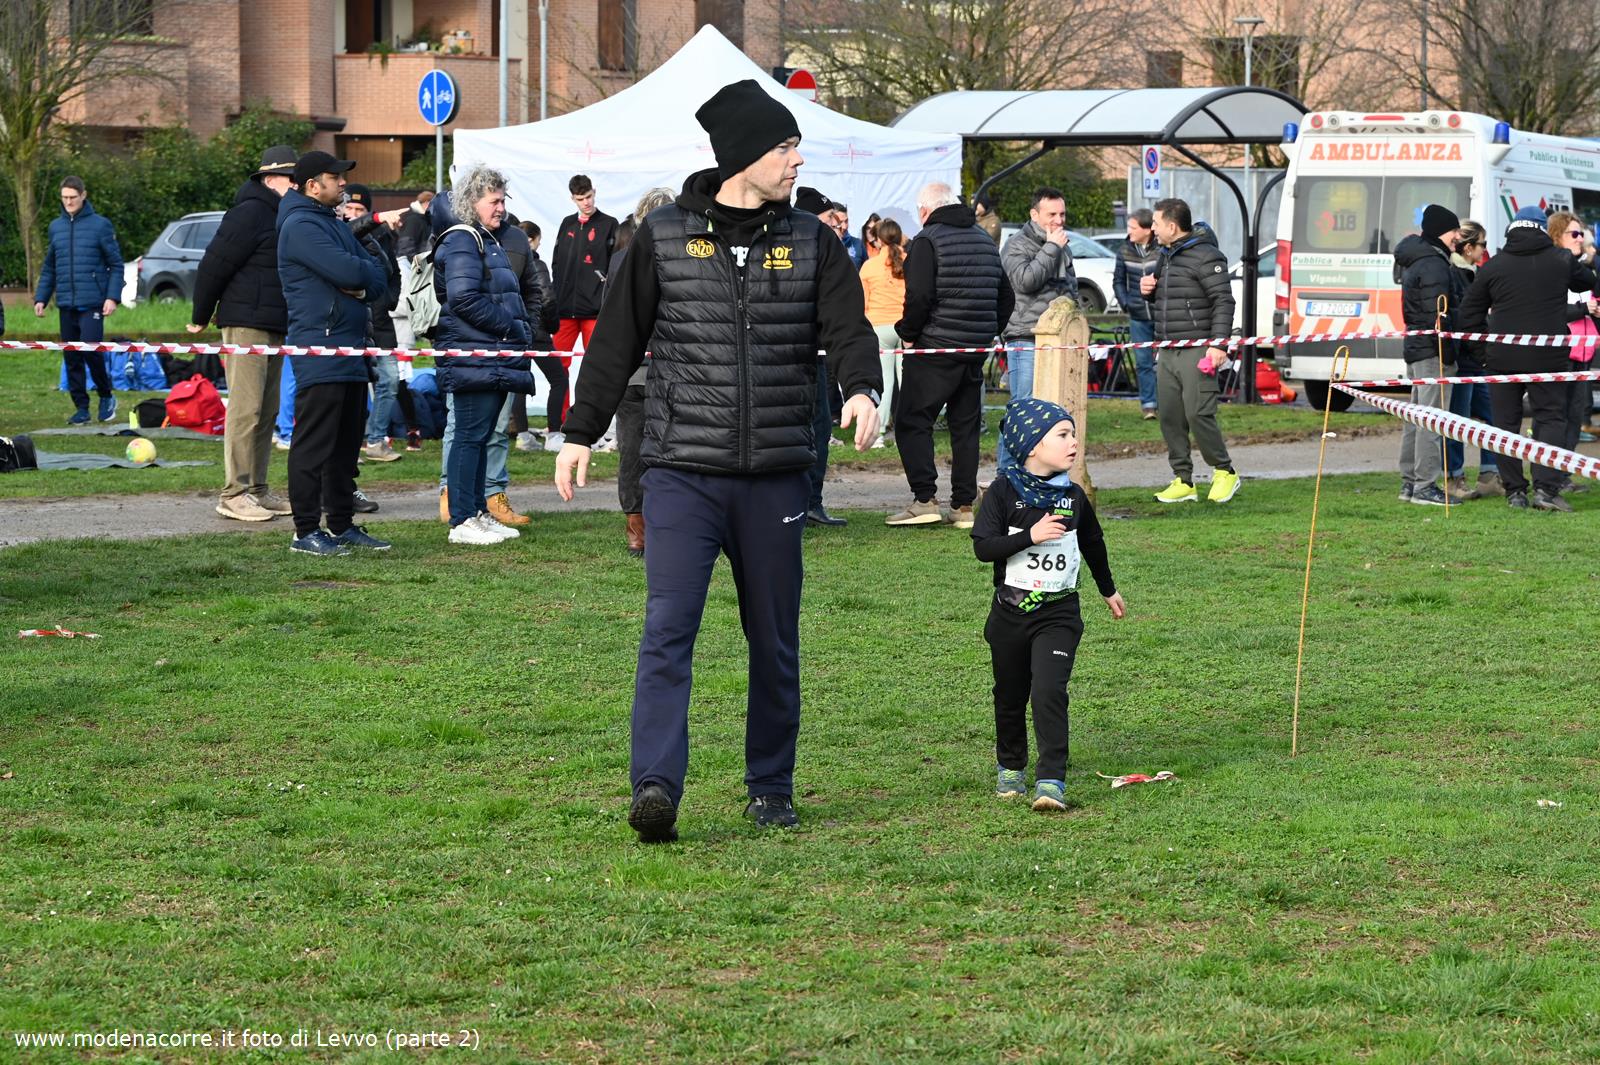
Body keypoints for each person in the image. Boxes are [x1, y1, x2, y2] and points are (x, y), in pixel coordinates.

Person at [553, 78, 882, 842]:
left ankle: (770, 786)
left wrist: (861, 387)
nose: (797, 160)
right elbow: (615, 342)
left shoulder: (813, 241)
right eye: (785, 146)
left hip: (776, 476)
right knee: (668, 630)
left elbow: (848, 328)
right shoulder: (663, 236)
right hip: (681, 473)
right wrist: (578, 431)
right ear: (743, 154)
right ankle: (655, 787)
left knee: (774, 640)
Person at [972, 398, 1124, 811]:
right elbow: (984, 548)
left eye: (1073, 433)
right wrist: (1031, 536)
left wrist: (1107, 589)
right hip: (1010, 614)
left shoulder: (1073, 496)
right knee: (1010, 694)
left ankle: (1051, 780)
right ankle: (1010, 766)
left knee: (1048, 691)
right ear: (1033, 445)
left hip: (1059, 614)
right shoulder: (1002, 492)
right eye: (1063, 435)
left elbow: (1092, 542)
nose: (1074, 442)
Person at [276, 150, 392, 556]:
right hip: (321, 347)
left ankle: (341, 525)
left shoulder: (331, 221)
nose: (343, 183)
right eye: (335, 177)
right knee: (314, 445)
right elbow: (351, 270)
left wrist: (360, 282)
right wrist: (358, 278)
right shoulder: (300, 225)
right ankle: (305, 531)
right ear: (312, 185)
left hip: (351, 347)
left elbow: (378, 275)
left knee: (345, 446)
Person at [890, 181, 1013, 529]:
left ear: (925, 210)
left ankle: (924, 499)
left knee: (912, 421)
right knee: (965, 428)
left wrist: (908, 334)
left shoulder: (926, 241)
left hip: (934, 347)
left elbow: (919, 296)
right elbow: (1006, 297)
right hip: (973, 350)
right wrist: (986, 332)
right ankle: (963, 505)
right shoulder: (984, 240)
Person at [1459, 205, 1595, 511]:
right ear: (1542, 229)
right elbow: (1587, 281)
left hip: (1501, 358)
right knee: (1550, 419)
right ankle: (1546, 489)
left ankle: (1514, 491)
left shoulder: (1494, 266)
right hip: (1548, 357)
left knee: (1504, 425)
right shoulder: (1560, 260)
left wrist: (1484, 354)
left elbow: (1468, 315)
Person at [189, 145, 296, 523]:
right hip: (246, 322)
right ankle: (233, 493)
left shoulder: (282, 213)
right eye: (291, 178)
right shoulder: (249, 212)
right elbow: (214, 263)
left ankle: (258, 490)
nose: (297, 184)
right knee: (246, 408)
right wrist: (200, 315)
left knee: (267, 411)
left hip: (274, 323)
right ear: (270, 179)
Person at [432, 166, 536, 546]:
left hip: (489, 355)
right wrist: (510, 327)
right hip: (475, 356)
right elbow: (463, 298)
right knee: (469, 437)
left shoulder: (482, 238)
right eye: (494, 201)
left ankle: (477, 512)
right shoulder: (463, 239)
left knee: (478, 437)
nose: (501, 208)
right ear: (471, 202)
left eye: (503, 200)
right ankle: (462, 519)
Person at [1140, 198, 1240, 504]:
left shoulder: (1207, 256)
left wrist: (1218, 344)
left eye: (1156, 223)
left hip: (1198, 348)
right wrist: (1150, 292)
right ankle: (1183, 480)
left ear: (1172, 226)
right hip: (1168, 348)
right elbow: (1172, 299)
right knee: (1170, 415)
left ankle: (1225, 472)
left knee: (1199, 413)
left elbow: (1223, 301)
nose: (1152, 228)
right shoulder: (1165, 255)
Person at [611, 187, 677, 558]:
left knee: (649, 452)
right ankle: (638, 527)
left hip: (665, 372)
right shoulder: (624, 262)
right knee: (638, 452)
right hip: (645, 372)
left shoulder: (622, 260)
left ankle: (652, 525)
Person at [999, 187, 1079, 471]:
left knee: (1055, 410)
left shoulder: (1061, 245)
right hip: (1026, 337)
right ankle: (1006, 473)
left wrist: (1078, 328)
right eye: (1052, 214)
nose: (1059, 220)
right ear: (1034, 215)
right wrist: (1052, 248)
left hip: (1058, 338)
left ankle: (1043, 474)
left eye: (1062, 214)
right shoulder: (1016, 245)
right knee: (1023, 409)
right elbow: (1025, 281)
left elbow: (1071, 288)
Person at [34, 176, 123, 425]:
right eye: (64, 198)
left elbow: (116, 264)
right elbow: (50, 267)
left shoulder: (101, 225)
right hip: (66, 303)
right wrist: (41, 298)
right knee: (71, 356)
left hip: (93, 302)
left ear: (83, 195)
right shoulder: (55, 227)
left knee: (91, 350)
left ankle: (106, 396)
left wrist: (112, 297)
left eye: (73, 197)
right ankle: (81, 407)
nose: (68, 202)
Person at [1392, 203, 1463, 507]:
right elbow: (1440, 314)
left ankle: (1410, 482)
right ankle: (1425, 486)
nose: (1458, 236)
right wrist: (1448, 353)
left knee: (1415, 417)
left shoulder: (1417, 259)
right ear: (1441, 231)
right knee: (1431, 420)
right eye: (1454, 230)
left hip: (1416, 346)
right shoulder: (1434, 263)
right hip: (1433, 350)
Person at [794, 185, 851, 526]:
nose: (838, 225)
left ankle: (812, 502)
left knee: (819, 427)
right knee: (802, 430)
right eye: (831, 218)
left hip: (817, 354)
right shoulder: (799, 250)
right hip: (793, 357)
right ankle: (796, 505)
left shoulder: (828, 250)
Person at [551, 174, 619, 450]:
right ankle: (562, 425)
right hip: (565, 310)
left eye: (589, 196)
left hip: (594, 311)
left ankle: (598, 426)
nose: (586, 203)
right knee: (558, 369)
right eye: (580, 199)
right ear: (572, 198)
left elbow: (615, 266)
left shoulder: (609, 224)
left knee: (597, 368)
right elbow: (556, 263)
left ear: (594, 192)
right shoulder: (567, 223)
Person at [343, 183, 406, 465]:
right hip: (353, 323)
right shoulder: (338, 232)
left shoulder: (382, 235)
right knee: (351, 387)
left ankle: (376, 439)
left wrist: (388, 300)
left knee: (390, 380)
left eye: (360, 209)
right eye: (350, 207)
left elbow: (394, 273)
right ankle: (349, 444)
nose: (354, 212)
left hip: (381, 323)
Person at [1445, 221, 1502, 498]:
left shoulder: (1476, 274)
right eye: (1482, 244)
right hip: (1464, 359)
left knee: (1492, 415)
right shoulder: (1453, 274)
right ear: (1468, 248)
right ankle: (1454, 478)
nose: (1484, 250)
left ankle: (1489, 474)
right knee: (1457, 421)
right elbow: (1463, 319)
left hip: (1478, 359)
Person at [1549, 211, 1597, 494]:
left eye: (1582, 234)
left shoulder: (1579, 268)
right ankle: (1551, 476)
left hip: (1584, 353)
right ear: (1558, 236)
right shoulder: (1553, 268)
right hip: (1561, 352)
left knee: (1575, 415)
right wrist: (1582, 309)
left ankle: (1563, 475)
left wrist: (1593, 310)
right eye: (1575, 234)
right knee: (1558, 415)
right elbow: (1550, 310)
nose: (1581, 239)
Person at [512, 219, 564, 453]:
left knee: (519, 383)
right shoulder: (536, 264)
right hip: (538, 331)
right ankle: (554, 434)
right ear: (531, 240)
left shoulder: (508, 261)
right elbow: (547, 299)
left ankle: (523, 435)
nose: (540, 244)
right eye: (539, 240)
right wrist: (552, 325)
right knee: (559, 380)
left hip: (516, 331)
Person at [858, 217, 908, 447]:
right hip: (905, 326)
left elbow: (863, 303)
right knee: (907, 382)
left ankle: (878, 432)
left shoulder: (869, 266)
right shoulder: (910, 261)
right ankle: (908, 431)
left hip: (879, 326)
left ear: (878, 240)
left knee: (884, 383)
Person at [1112, 208, 1160, 418]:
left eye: (1133, 227)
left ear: (1147, 230)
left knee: (1164, 363)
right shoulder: (1124, 250)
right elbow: (1118, 281)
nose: (1128, 231)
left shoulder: (1162, 249)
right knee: (1143, 363)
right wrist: (1126, 303)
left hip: (1162, 315)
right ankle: (1149, 405)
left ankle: (1167, 403)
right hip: (1138, 316)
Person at [394, 189, 435, 262]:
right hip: (415, 264)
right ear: (426, 202)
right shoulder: (413, 220)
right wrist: (417, 264)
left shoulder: (424, 218)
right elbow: (406, 246)